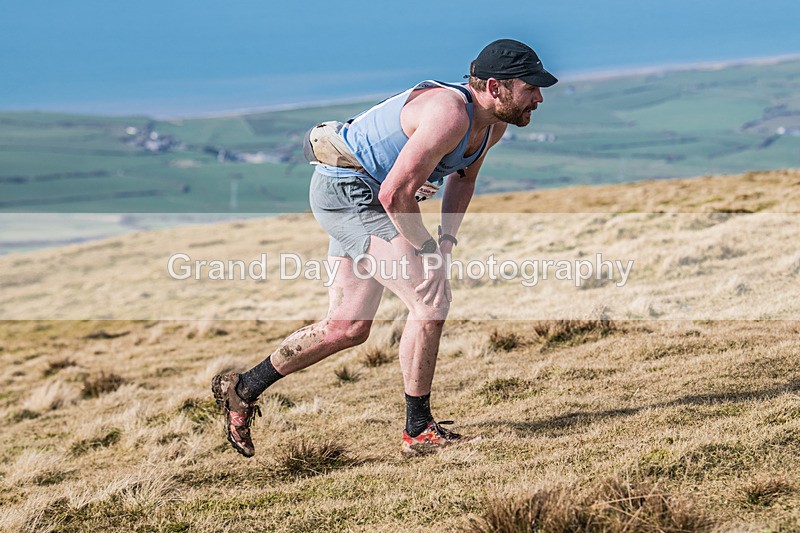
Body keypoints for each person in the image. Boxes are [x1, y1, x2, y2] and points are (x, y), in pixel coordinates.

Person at [212, 38, 558, 457]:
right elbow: (395, 195)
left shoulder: (492, 125)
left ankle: (243, 388)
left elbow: (463, 180)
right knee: (430, 301)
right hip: (350, 193)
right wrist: (429, 254)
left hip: (368, 195)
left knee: (347, 328)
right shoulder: (449, 114)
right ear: (494, 87)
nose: (539, 98)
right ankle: (419, 431)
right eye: (530, 87)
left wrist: (447, 243)